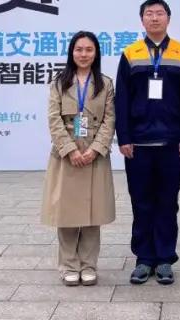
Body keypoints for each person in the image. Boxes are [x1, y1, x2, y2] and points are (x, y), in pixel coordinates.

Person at [115, 0, 180, 285]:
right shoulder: (131, 53)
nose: (154, 18)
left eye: (159, 13)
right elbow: (121, 99)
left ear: (168, 19)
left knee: (167, 202)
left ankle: (164, 258)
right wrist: (124, 136)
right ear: (142, 20)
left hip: (172, 143)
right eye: (149, 14)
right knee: (141, 201)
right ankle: (143, 258)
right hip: (137, 144)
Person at [40, 31, 116, 287]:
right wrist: (70, 149)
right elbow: (54, 119)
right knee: (67, 213)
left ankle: (89, 265)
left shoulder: (105, 84)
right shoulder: (59, 82)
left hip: (94, 156)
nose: (84, 54)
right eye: (79, 49)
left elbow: (109, 120)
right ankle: (69, 265)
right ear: (72, 52)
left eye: (89, 50)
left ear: (96, 54)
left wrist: (95, 149)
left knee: (93, 214)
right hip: (66, 157)